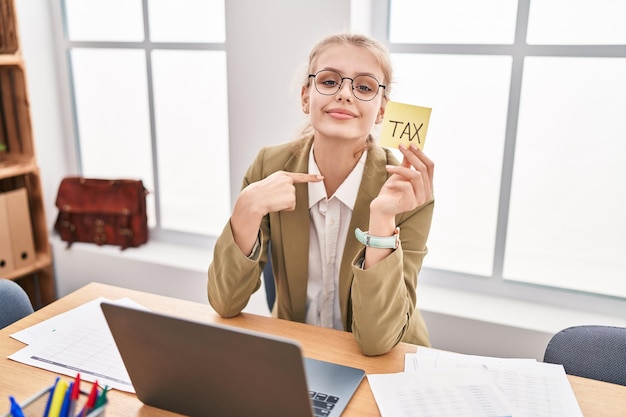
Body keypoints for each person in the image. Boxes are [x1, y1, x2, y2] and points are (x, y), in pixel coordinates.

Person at [208, 32, 434, 356]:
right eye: (329, 82)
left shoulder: (407, 191)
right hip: (300, 356)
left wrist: (383, 220)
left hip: (390, 365)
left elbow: (377, 342)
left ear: (382, 112)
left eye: (364, 87)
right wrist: (245, 209)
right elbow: (224, 303)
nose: (344, 94)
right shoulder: (267, 166)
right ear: (305, 97)